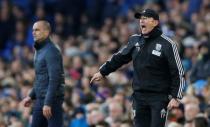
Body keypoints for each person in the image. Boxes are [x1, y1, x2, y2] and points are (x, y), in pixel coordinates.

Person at [90, 9, 186, 127]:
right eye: (140, 18)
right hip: (138, 96)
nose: (141, 20)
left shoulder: (168, 44)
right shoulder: (135, 40)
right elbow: (120, 57)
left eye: (145, 18)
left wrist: (176, 96)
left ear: (155, 22)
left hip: (159, 97)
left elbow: (178, 72)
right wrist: (102, 72)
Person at [21, 20, 65, 127]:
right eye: (33, 30)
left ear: (46, 32)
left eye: (37, 30)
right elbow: (40, 78)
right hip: (41, 100)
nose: (33, 32)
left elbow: (55, 79)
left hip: (52, 101)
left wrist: (48, 103)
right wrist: (31, 96)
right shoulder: (39, 50)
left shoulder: (51, 51)